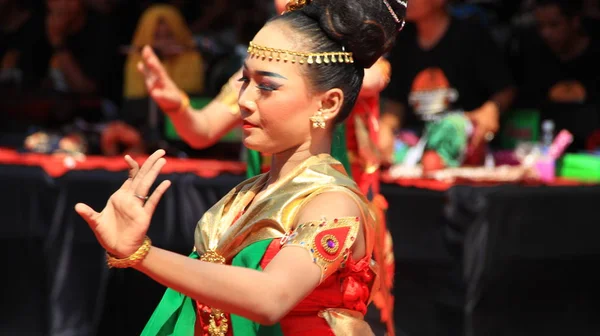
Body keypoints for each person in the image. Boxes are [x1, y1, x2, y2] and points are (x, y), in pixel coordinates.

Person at [74, 0, 407, 334]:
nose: (245, 100)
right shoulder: (245, 194)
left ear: (328, 103)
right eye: (244, 81)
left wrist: (142, 254)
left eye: (266, 86)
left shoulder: (333, 203)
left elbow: (270, 298)